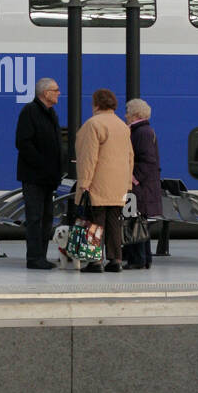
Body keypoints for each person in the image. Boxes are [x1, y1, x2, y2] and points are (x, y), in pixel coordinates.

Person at [75, 89, 134, 273]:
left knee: (95, 222)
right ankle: (115, 260)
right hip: (118, 185)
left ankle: (95, 261)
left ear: (96, 104)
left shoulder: (93, 124)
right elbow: (130, 156)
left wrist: (84, 182)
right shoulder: (123, 126)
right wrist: (127, 184)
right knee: (114, 223)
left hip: (97, 183)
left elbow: (88, 157)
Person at [16, 77, 64, 270]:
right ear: (46, 93)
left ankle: (41, 256)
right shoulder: (30, 111)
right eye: (56, 89)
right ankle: (34, 258)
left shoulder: (51, 113)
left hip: (48, 178)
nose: (59, 93)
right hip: (34, 177)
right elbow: (23, 143)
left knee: (46, 218)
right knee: (35, 218)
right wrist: (43, 164)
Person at [124, 97, 163, 270]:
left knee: (134, 221)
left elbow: (148, 160)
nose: (125, 115)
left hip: (140, 188)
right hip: (145, 188)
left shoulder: (141, 133)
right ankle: (145, 258)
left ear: (135, 114)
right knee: (140, 222)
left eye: (128, 112)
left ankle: (137, 259)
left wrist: (133, 179)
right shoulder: (145, 131)